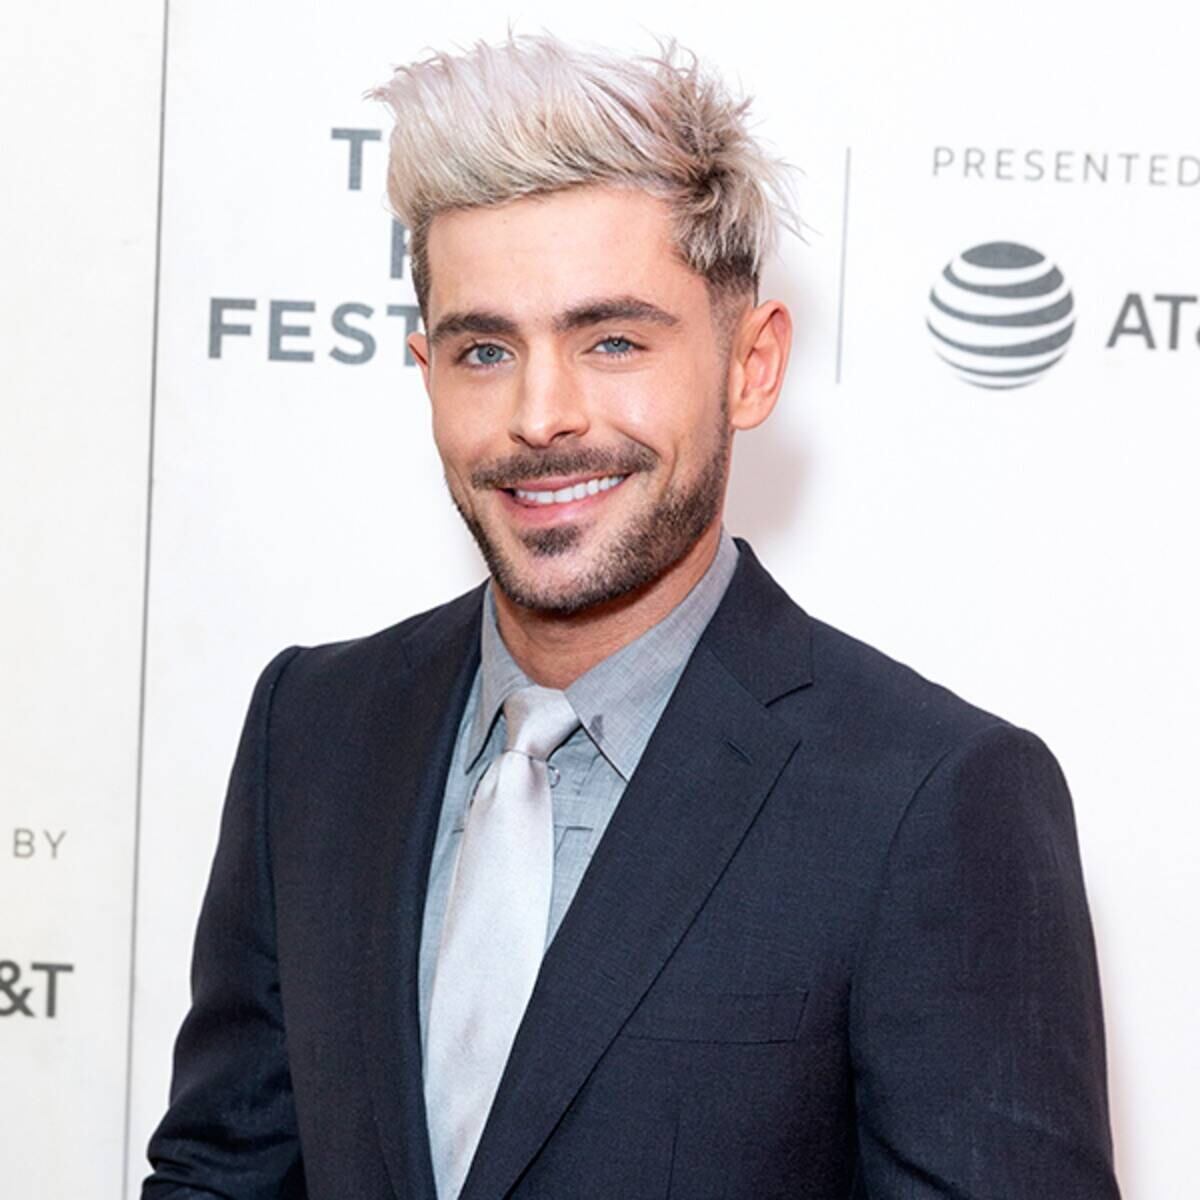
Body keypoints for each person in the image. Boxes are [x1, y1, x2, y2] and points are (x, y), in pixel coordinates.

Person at [143, 31, 1121, 1200]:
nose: (540, 414)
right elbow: (223, 1174)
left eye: (611, 340)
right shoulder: (312, 729)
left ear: (751, 365)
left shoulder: (933, 799)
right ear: (425, 369)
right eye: (484, 349)